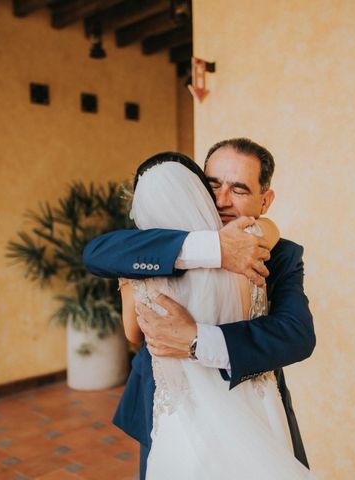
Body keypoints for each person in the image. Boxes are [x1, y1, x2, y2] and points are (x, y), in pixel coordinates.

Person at [83, 139, 316, 479]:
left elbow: (296, 335)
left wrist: (197, 340)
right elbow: (95, 255)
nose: (222, 200)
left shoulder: (280, 253)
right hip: (172, 410)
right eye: (213, 185)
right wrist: (215, 249)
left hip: (252, 408)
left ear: (264, 201)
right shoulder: (161, 243)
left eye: (239, 189)